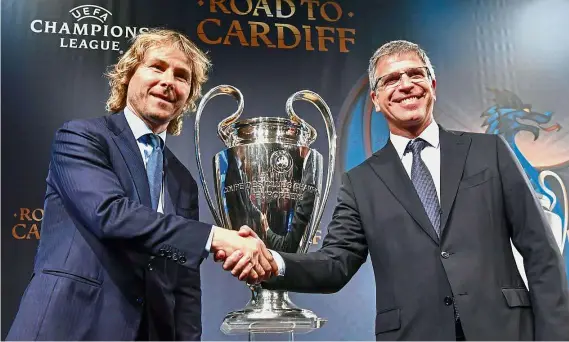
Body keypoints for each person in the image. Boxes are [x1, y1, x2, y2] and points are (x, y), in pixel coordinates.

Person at [220, 40, 569, 340]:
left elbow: (541, 252)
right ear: (375, 98)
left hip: (505, 331)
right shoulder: (361, 182)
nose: (405, 84)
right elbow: (334, 265)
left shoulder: (489, 151)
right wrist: (273, 262)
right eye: (391, 79)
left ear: (432, 85)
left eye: (415, 74)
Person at [6, 28, 276, 341]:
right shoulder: (82, 137)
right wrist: (216, 237)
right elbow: (110, 214)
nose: (168, 81)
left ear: (188, 94)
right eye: (157, 67)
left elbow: (184, 283)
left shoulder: (182, 179)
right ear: (127, 75)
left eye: (181, 76)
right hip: (69, 324)